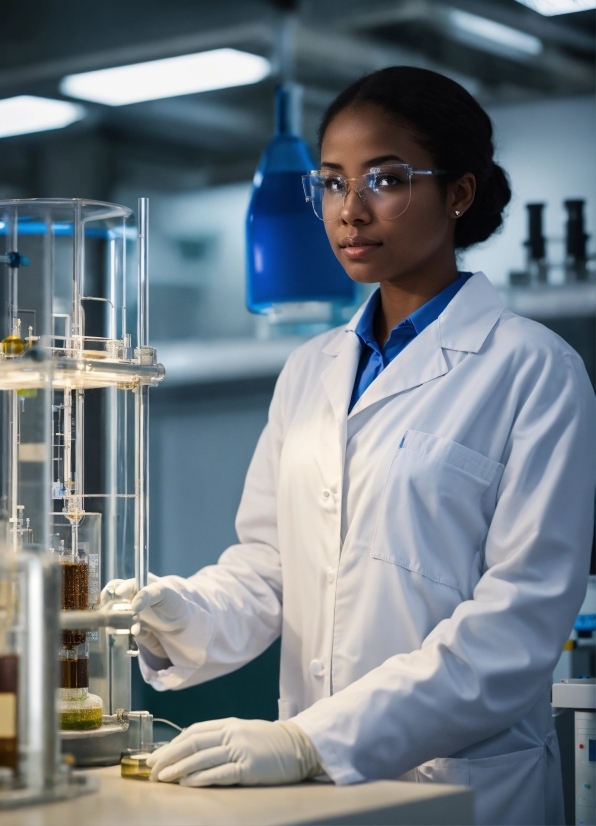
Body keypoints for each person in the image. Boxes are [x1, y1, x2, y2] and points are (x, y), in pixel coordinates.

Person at [108, 67, 595, 825]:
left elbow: (515, 628)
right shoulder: (311, 371)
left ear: (459, 194)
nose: (351, 211)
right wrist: (182, 611)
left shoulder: (533, 370)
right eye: (332, 184)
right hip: (317, 799)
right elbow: (271, 571)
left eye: (386, 180)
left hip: (464, 788)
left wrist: (310, 740)